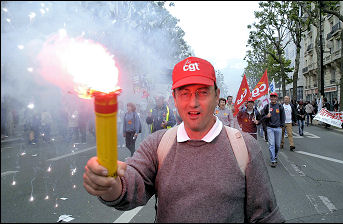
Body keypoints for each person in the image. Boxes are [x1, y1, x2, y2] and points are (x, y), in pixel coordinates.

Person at [83, 56, 285, 223]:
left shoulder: (245, 148)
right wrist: (110, 186)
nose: (193, 103)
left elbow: (266, 217)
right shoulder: (157, 144)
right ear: (175, 97)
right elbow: (131, 184)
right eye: (185, 93)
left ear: (217, 96)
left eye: (202, 92)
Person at [262, 92, 285, 167]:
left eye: (274, 97)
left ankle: (275, 155)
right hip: (270, 128)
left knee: (277, 145)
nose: (273, 98)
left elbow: (283, 116)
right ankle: (273, 160)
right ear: (270, 98)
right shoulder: (267, 106)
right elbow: (262, 116)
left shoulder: (280, 106)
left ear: (276, 98)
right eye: (271, 97)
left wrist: (282, 125)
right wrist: (266, 116)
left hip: (278, 128)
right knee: (272, 144)